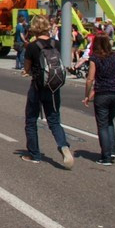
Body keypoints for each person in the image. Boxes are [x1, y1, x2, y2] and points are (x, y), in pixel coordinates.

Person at [20, 15, 74, 169]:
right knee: (54, 120)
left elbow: (27, 69)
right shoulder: (56, 43)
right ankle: (63, 146)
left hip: (37, 87)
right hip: (53, 87)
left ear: (34, 28)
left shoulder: (32, 46)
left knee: (31, 120)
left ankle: (34, 154)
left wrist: (27, 71)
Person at [83, 34, 115, 165]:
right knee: (109, 121)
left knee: (102, 125)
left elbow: (90, 79)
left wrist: (87, 95)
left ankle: (106, 156)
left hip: (102, 93)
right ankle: (112, 151)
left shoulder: (94, 58)